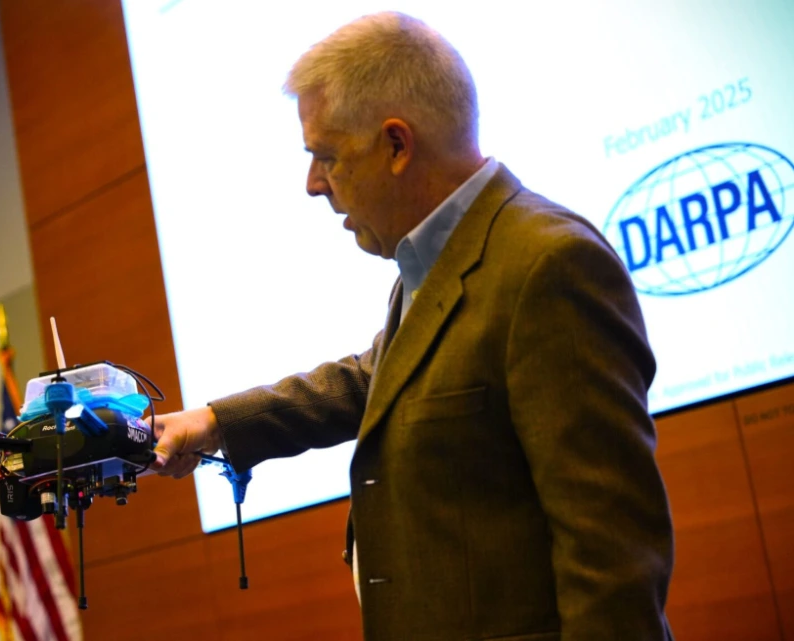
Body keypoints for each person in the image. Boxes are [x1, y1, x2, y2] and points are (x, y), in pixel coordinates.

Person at [150, 11, 674, 641]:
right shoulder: (431, 264)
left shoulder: (548, 265)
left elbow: (613, 560)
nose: (313, 184)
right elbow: (373, 381)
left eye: (328, 157)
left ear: (397, 145)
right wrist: (212, 423)